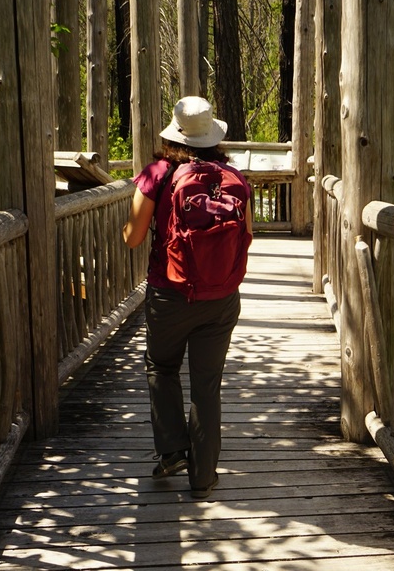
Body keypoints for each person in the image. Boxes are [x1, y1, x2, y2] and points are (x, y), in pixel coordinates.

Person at [122, 96, 253, 499]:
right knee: (206, 385)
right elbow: (248, 235)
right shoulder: (234, 177)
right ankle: (203, 476)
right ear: (212, 134)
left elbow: (133, 237)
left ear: (174, 134)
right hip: (221, 297)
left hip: (170, 293)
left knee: (160, 367)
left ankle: (172, 449)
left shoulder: (158, 173)